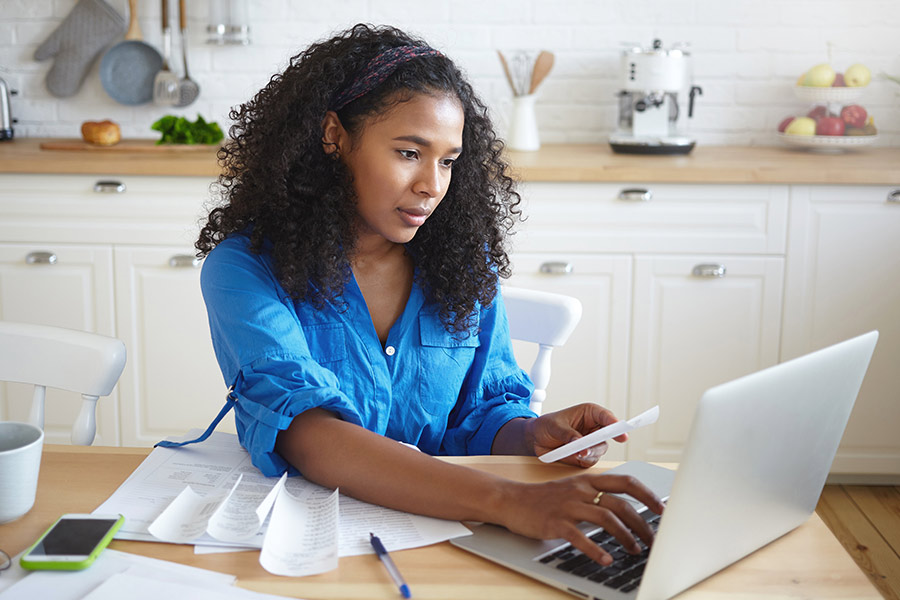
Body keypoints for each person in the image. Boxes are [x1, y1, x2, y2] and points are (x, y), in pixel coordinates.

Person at [192, 23, 663, 566]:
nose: (432, 185)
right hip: (312, 548)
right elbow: (309, 435)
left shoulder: (461, 264)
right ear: (334, 136)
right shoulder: (245, 269)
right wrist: (510, 501)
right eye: (409, 152)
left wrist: (532, 435)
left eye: (447, 160)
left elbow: (480, 414)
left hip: (454, 539)